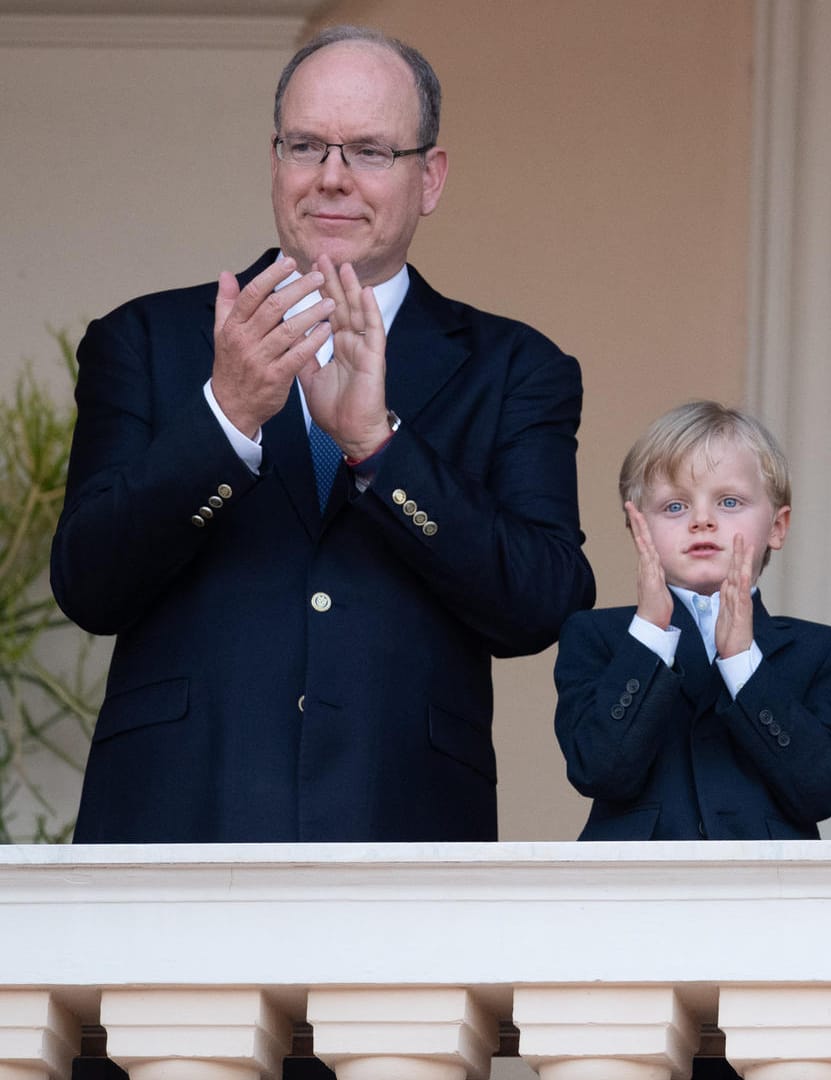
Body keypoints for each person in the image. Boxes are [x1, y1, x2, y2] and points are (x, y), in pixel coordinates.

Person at [50, 26, 596, 842]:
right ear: (276, 161)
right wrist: (226, 417)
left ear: (430, 177)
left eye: (370, 151)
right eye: (307, 145)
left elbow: (543, 603)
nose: (332, 178)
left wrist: (382, 447)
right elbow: (88, 584)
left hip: (403, 835)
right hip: (176, 827)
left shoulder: (517, 367)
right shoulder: (147, 339)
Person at [553, 401, 831, 840]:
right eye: (675, 507)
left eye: (729, 501)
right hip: (634, 896)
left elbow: (822, 790)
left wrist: (743, 662)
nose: (702, 520)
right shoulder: (596, 637)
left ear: (778, 526)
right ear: (636, 526)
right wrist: (650, 636)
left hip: (768, 897)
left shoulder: (826, 652)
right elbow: (598, 771)